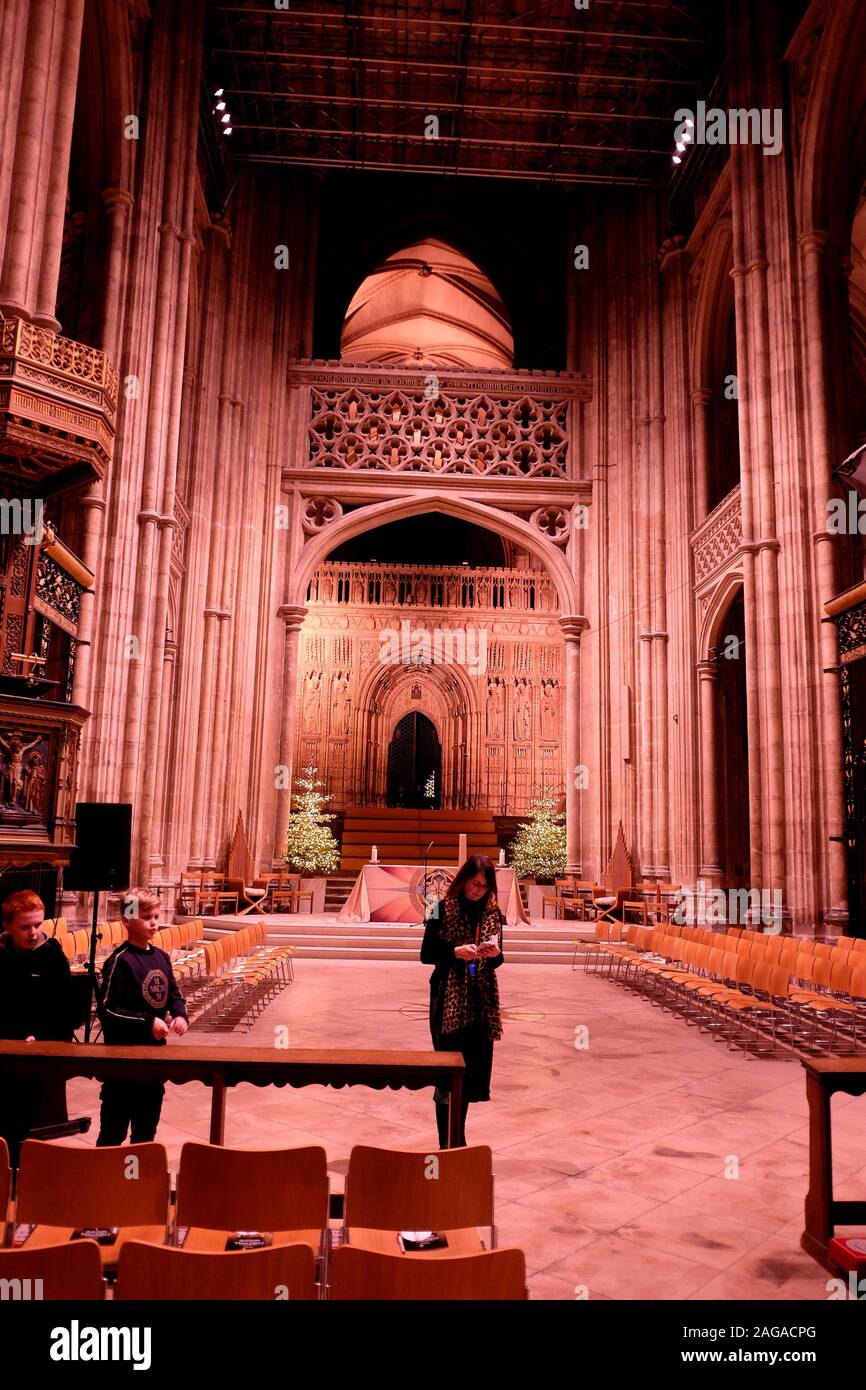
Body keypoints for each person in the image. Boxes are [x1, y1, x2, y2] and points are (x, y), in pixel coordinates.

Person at [420, 855, 504, 1148]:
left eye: (484, 886)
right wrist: (455, 952)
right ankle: (446, 1141)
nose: (478, 890)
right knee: (447, 1073)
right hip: (447, 996)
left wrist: (493, 955)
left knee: (468, 1073)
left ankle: (460, 1137)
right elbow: (426, 954)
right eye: (475, 883)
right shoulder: (435, 907)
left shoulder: (493, 912)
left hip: (480, 998)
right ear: (464, 878)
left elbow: (499, 959)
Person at [96, 888, 188, 1146]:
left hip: (153, 1063)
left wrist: (179, 1014)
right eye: (146, 916)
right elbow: (107, 1009)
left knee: (145, 1134)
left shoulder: (162, 957)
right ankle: (105, 1182)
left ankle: (136, 1182)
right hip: (123, 1063)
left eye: (156, 916)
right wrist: (148, 1022)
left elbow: (174, 994)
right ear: (126, 920)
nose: (153, 922)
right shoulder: (119, 961)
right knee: (113, 1133)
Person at [0, 889, 77, 1165]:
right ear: (7, 926)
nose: (33, 932)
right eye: (24, 926)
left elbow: (67, 1013)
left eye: (37, 924)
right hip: (5, 1057)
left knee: (35, 1138)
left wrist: (41, 1036)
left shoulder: (53, 958)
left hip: (40, 1059)